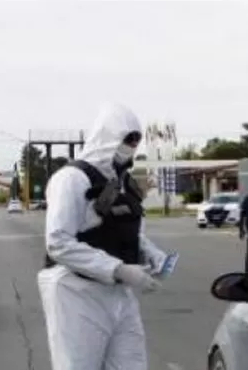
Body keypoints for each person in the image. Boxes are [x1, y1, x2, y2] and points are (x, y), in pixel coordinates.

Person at [39, 103, 169, 370]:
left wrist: (151, 253)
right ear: (108, 136)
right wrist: (117, 269)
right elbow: (58, 242)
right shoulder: (72, 179)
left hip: (118, 294)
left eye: (135, 140)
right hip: (76, 292)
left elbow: (127, 230)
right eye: (126, 139)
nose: (131, 146)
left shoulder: (123, 183)